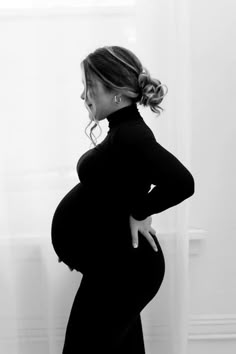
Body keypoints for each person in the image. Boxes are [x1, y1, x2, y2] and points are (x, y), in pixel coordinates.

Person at [51, 45, 195, 354]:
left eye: (89, 86)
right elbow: (121, 189)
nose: (83, 95)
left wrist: (142, 210)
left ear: (116, 91)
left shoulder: (132, 135)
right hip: (115, 266)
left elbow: (182, 182)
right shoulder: (122, 132)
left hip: (124, 270)